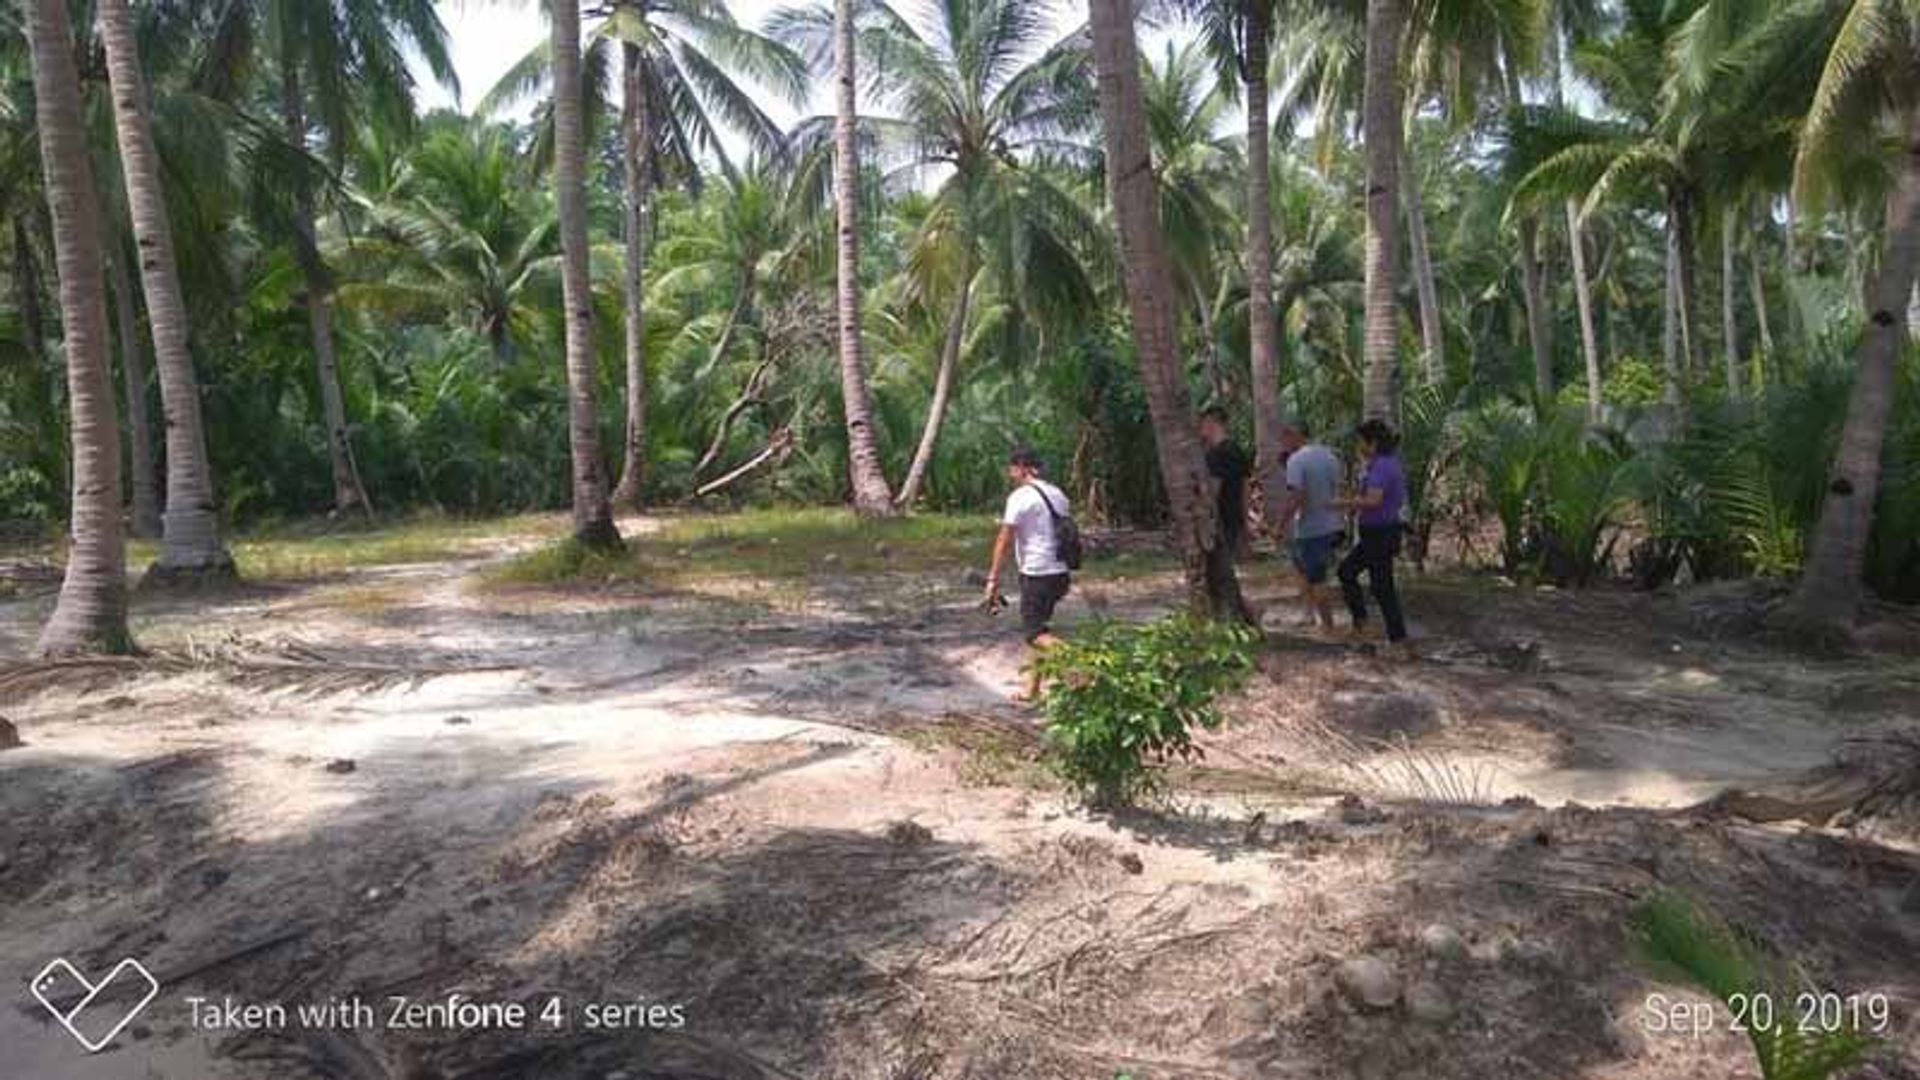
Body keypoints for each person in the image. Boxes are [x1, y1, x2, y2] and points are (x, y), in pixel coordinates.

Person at [983, 447, 1072, 703]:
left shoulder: (1020, 497)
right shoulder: (1057, 494)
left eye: (1012, 467)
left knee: (1035, 634)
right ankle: (1031, 690)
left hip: (1038, 573)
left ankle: (1084, 665)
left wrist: (993, 578)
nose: (1010, 473)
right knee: (1038, 629)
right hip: (1060, 572)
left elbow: (1004, 538)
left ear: (1022, 467)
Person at [1335, 418, 1411, 655]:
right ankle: (1378, 633)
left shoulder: (1382, 467)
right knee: (1371, 582)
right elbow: (1369, 496)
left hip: (1381, 533)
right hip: (1376, 533)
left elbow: (1374, 500)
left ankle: (1389, 638)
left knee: (1373, 583)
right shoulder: (1379, 464)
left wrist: (1340, 503)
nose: (1359, 445)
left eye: (1362, 441)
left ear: (1373, 443)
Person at [1274, 422, 1343, 630]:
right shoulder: (1329, 455)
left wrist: (1280, 524)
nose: (1282, 444)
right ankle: (1309, 615)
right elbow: (1338, 488)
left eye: (1284, 438)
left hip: (1311, 528)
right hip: (1330, 524)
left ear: (1294, 436)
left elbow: (1297, 496)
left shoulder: (1296, 460)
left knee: (1316, 577)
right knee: (1301, 570)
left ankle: (1328, 625)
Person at [1198, 407, 1251, 558]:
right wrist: (1244, 519)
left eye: (1202, 423)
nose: (1200, 428)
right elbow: (1245, 488)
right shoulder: (1236, 450)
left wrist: (1207, 518)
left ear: (1211, 423)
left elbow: (1214, 490)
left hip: (1221, 518)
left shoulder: (1215, 454)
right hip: (1235, 517)